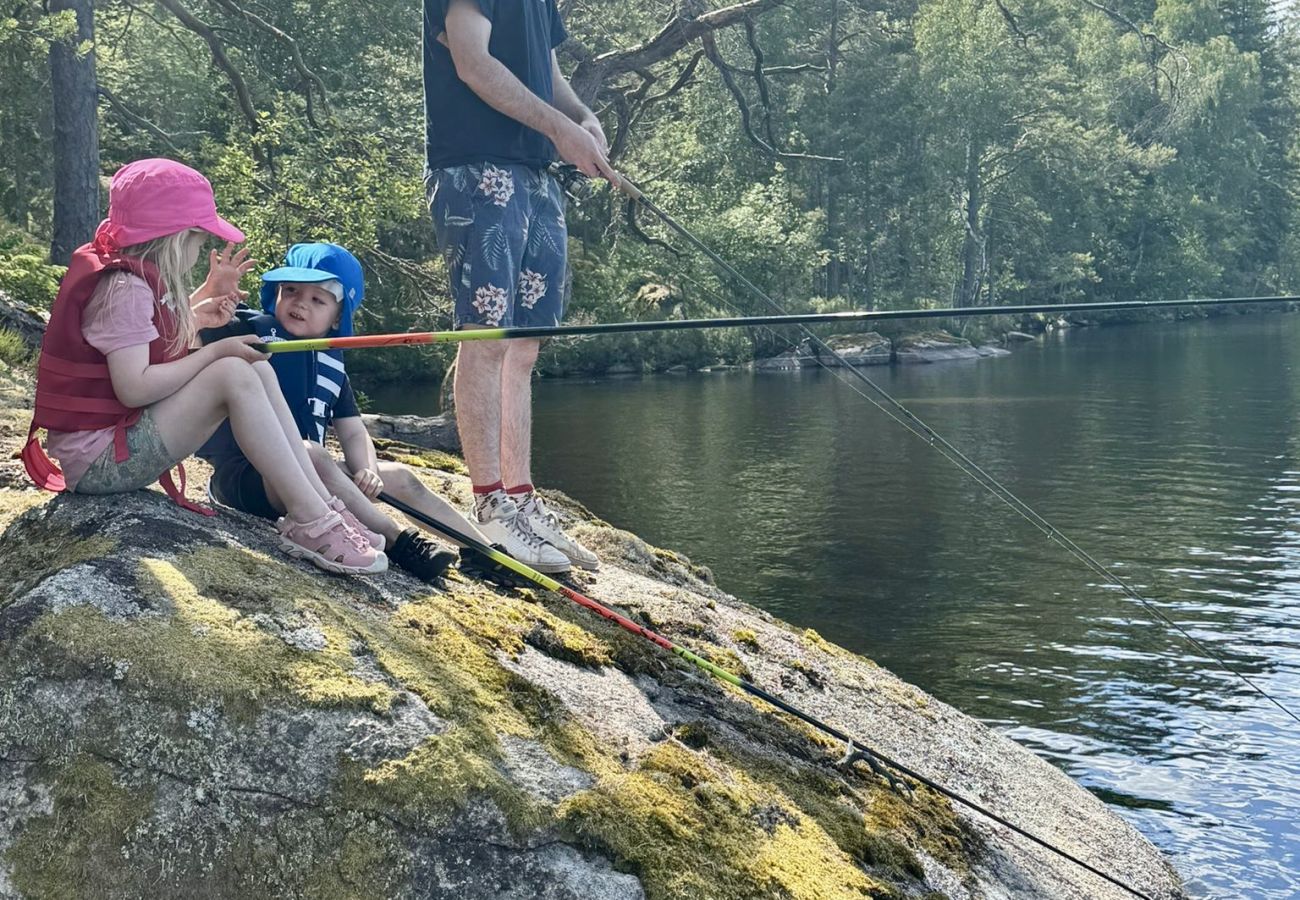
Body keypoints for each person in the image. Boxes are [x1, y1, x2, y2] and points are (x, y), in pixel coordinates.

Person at [21, 159, 385, 576]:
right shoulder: (124, 289)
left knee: (258, 370)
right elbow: (134, 388)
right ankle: (311, 519)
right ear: (176, 237)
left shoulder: (130, 281)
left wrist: (196, 316)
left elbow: (145, 343)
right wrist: (214, 351)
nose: (199, 251)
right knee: (231, 370)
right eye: (198, 239)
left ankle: (319, 508)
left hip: (112, 445)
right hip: (100, 462)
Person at [195, 242, 560, 582]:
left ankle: (484, 550)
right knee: (313, 453)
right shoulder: (249, 330)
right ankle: (399, 541)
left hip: (314, 475)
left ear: (338, 318)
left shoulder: (333, 365)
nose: (300, 303)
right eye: (290, 291)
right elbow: (184, 332)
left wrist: (366, 467)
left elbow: (353, 431)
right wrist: (213, 297)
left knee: (398, 475)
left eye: (317, 299)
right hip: (249, 479)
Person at [423, 0, 613, 571]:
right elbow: (472, 61)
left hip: (536, 177)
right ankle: (491, 507)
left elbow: (547, 74)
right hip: (476, 171)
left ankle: (522, 501)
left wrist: (582, 118)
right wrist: (560, 131)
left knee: (524, 347)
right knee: (487, 337)